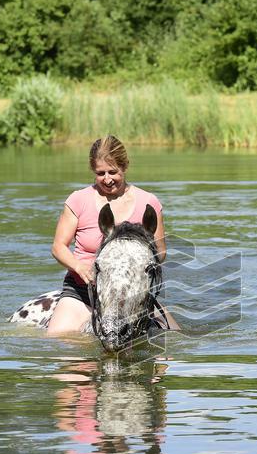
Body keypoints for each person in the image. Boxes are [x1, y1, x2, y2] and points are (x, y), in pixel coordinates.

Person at [47, 136, 176, 335]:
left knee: (174, 345)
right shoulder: (78, 200)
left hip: (133, 293)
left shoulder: (148, 202)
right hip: (83, 292)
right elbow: (58, 247)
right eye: (100, 173)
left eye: (113, 172)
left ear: (125, 167)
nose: (107, 179)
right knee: (58, 341)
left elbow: (161, 251)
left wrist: (137, 268)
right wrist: (80, 267)